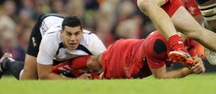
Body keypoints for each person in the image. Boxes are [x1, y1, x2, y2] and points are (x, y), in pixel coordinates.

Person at [52, 31, 205, 79]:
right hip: (125, 59)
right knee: (96, 68)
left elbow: (191, 51)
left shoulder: (185, 35)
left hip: (126, 48)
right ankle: (54, 70)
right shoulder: (156, 46)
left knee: (95, 64)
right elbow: (161, 77)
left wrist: (195, 62)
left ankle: (59, 70)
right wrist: (186, 71)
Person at [0, 14, 106, 80]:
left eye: (77, 34)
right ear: (61, 33)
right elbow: (44, 76)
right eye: (68, 34)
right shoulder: (50, 40)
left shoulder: (93, 43)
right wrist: (76, 82)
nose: (73, 39)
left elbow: (107, 66)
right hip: (43, 27)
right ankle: (6, 62)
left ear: (82, 33)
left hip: (57, 28)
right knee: (29, 79)